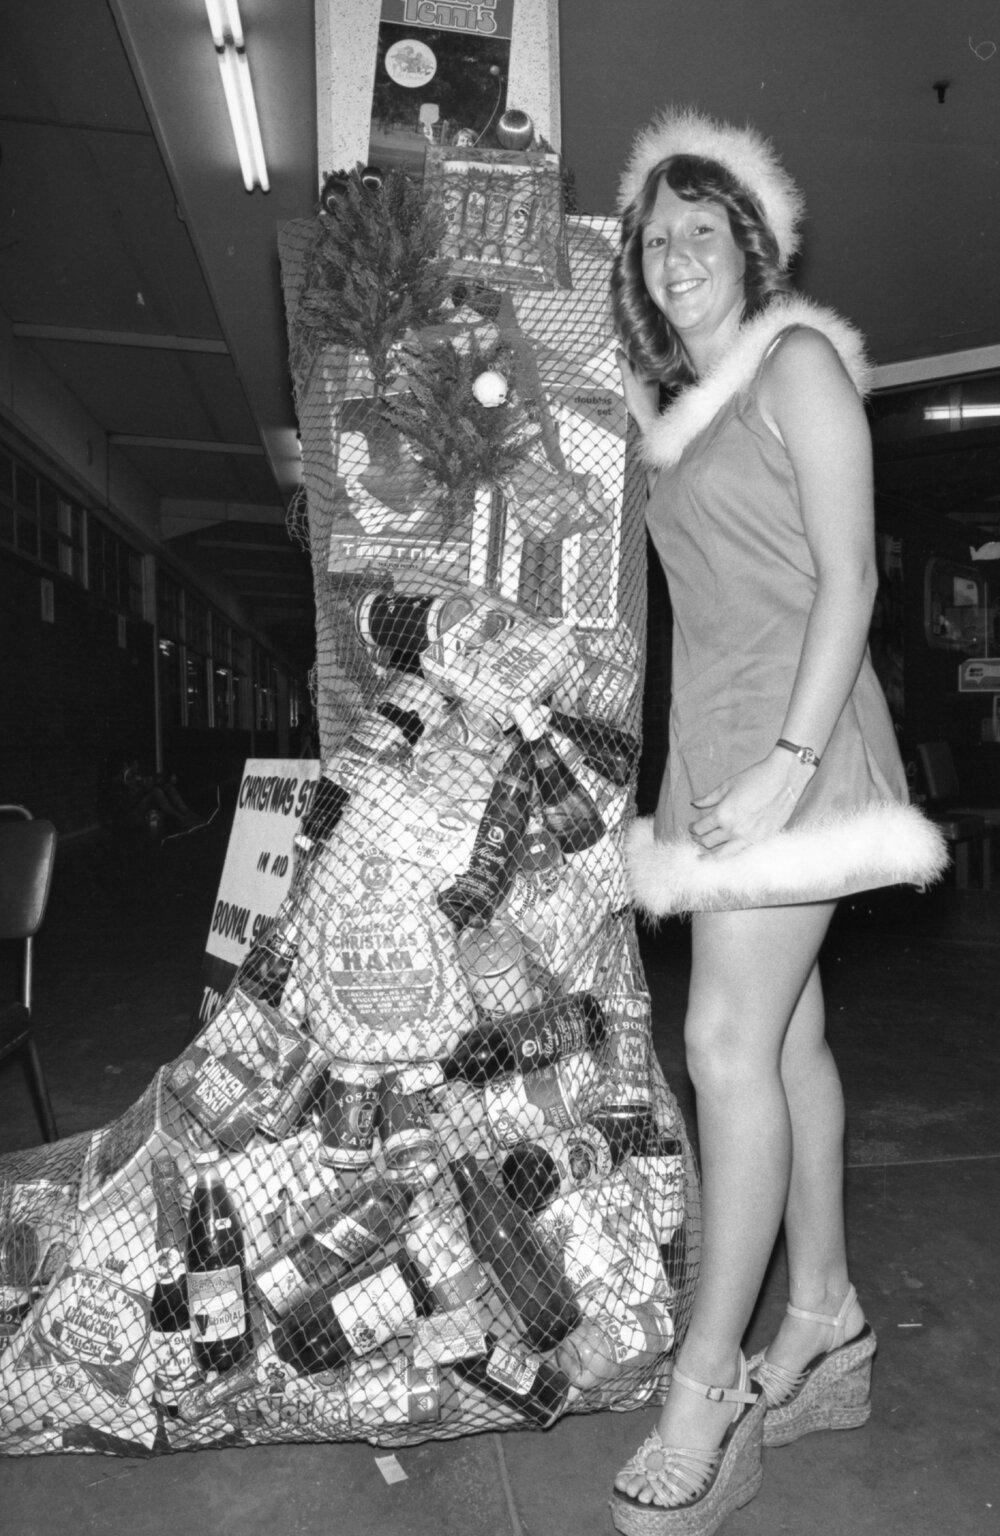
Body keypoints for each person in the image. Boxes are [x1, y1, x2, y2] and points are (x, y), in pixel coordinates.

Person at [608, 107, 947, 1536]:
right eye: (653, 237)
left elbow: (852, 578)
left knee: (725, 1042)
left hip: (796, 751)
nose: (674, 252)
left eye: (700, 228)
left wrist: (791, 763)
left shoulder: (797, 361)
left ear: (748, 244)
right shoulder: (666, 422)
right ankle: (824, 1317)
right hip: (714, 756)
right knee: (789, 1037)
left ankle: (712, 1385)